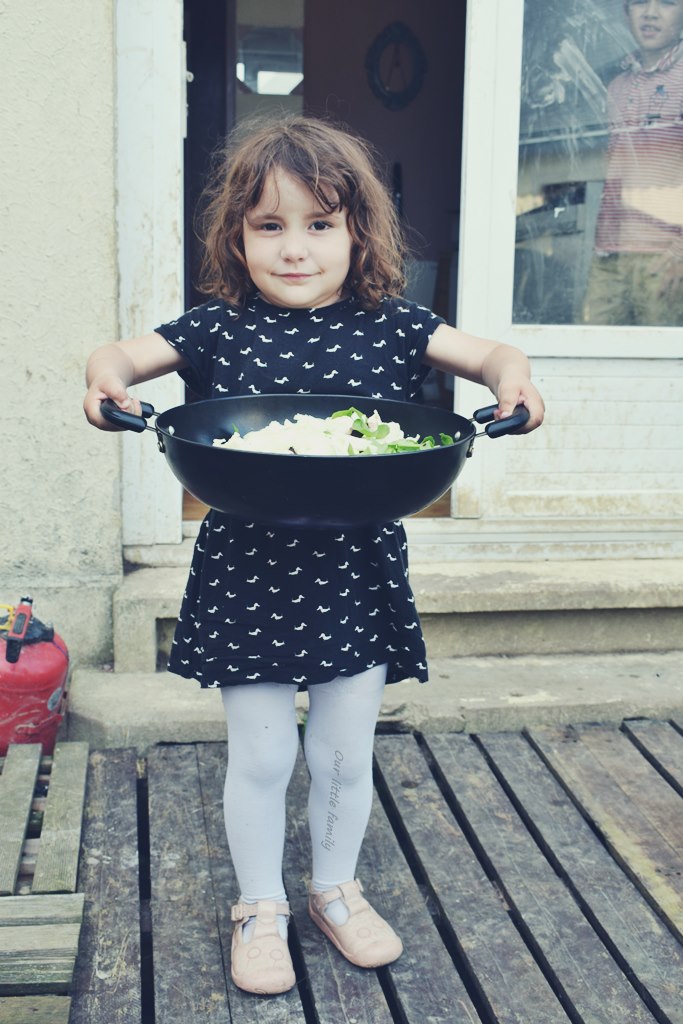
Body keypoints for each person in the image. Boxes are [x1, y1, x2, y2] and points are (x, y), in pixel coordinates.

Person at [83, 114, 544, 996]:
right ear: (237, 237)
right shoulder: (216, 329)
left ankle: (335, 889)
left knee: (340, 754)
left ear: (357, 232)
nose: (294, 248)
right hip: (246, 570)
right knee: (261, 758)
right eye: (269, 225)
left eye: (319, 224)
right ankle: (259, 907)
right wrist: (103, 378)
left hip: (355, 570)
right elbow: (119, 356)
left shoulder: (394, 325)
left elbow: (492, 355)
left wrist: (512, 379)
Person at [583, 0, 683, 325]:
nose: (651, 12)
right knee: (590, 345)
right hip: (610, 253)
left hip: (665, 254)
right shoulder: (618, 84)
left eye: (666, 2)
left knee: (660, 354)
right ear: (626, 12)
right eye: (640, 2)